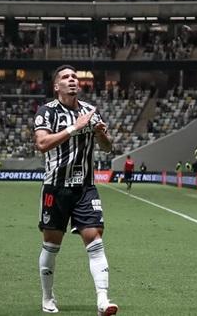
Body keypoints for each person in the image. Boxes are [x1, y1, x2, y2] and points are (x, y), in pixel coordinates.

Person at [33, 65, 118, 315]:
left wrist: (102, 135)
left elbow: (107, 147)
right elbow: (41, 143)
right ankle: (48, 297)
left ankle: (103, 300)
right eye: (65, 77)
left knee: (95, 239)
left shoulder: (90, 111)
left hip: (85, 188)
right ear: (56, 86)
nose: (71, 80)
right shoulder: (46, 112)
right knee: (51, 244)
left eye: (74, 77)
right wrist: (75, 128)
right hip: (55, 187)